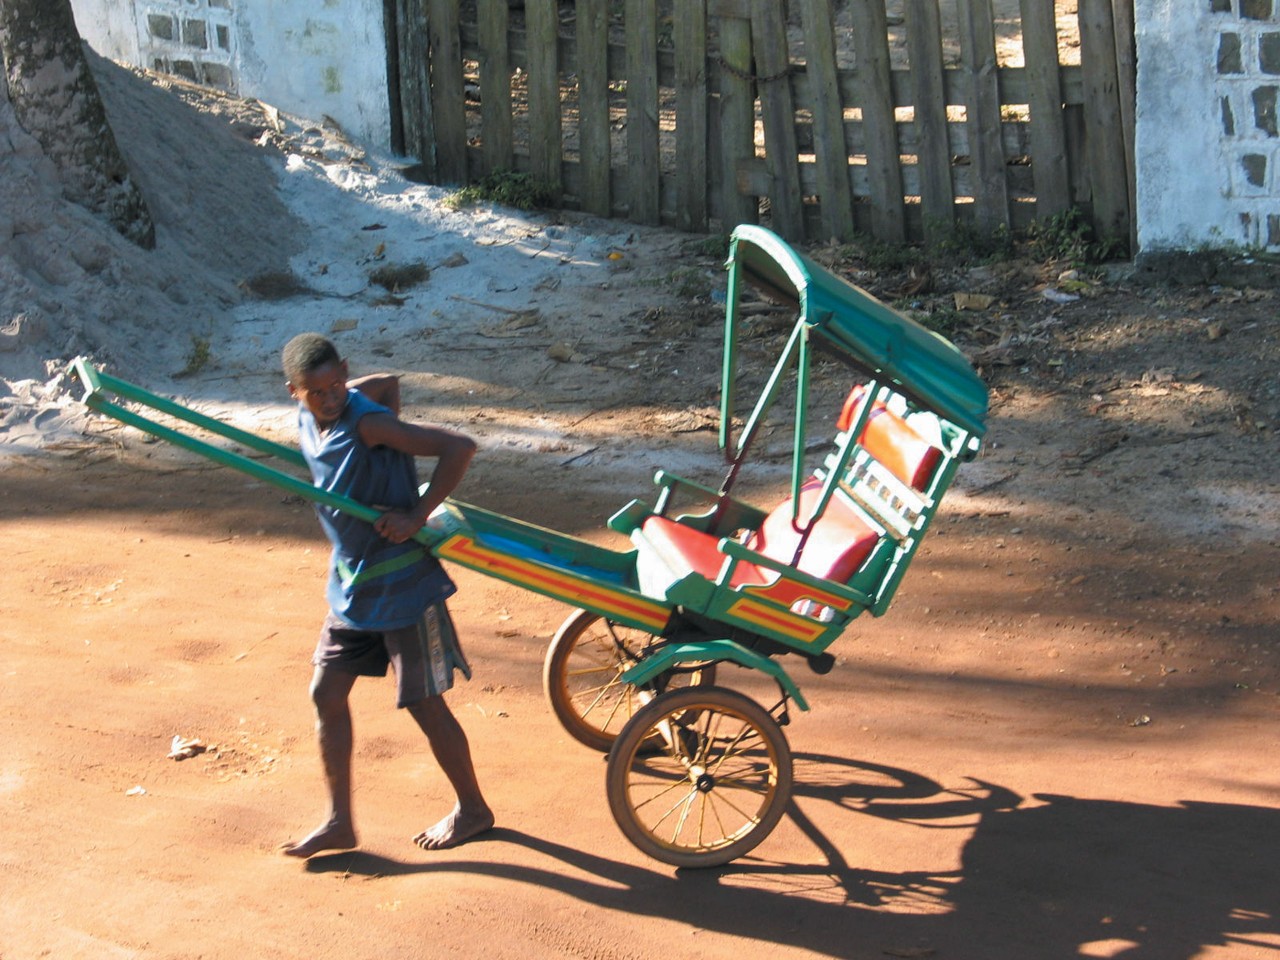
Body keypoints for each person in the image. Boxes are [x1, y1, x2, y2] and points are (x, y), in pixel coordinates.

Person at [279, 332, 493, 858]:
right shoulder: (311, 420)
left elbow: (458, 448)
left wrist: (416, 513)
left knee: (424, 703)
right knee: (326, 695)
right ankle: (339, 823)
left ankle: (473, 809)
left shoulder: (368, 422)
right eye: (317, 391)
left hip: (402, 583)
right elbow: (388, 381)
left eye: (337, 386)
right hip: (354, 587)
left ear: (345, 372)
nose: (330, 398)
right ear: (295, 393)